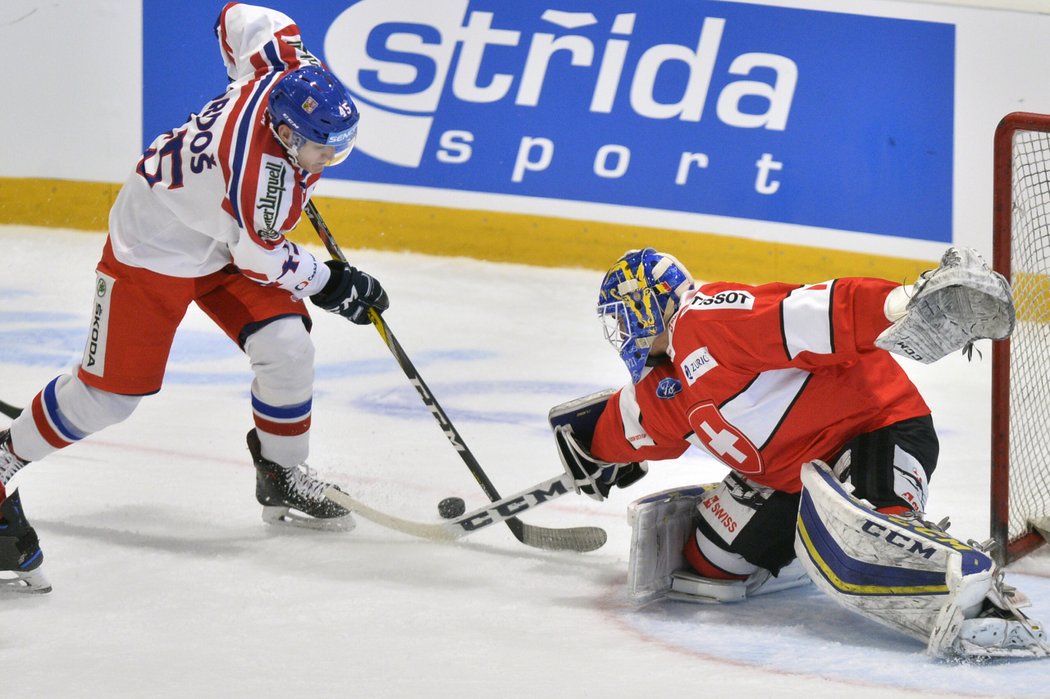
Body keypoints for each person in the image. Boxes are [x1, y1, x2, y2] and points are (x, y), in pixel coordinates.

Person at [0, 3, 389, 594]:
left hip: (221, 237)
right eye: (320, 149)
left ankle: (282, 472)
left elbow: (239, 16)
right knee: (109, 397)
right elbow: (261, 254)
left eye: (340, 144)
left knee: (287, 347)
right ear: (285, 134)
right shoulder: (262, 176)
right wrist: (333, 283)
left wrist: (242, 75)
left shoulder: (283, 63)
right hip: (154, 248)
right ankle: (6, 457)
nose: (330, 159)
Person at [549, 246, 1049, 658]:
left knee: (875, 528)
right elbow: (629, 423)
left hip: (876, 428)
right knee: (710, 564)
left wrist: (901, 303)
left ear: (646, 305)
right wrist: (591, 447)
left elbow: (814, 313)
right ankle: (813, 546)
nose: (621, 333)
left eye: (623, 317)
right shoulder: (660, 388)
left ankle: (978, 595)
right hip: (793, 478)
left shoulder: (710, 320)